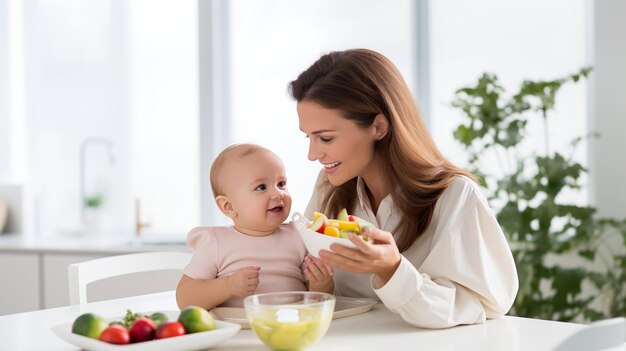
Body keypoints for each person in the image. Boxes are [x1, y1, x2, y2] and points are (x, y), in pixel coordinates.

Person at [289, 49, 519, 329]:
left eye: (325, 138)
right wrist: (319, 284)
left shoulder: (456, 196)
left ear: (379, 127)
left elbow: (483, 308)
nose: (313, 155)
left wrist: (392, 269)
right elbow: (323, 297)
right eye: (308, 138)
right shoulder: (329, 187)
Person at [176, 143, 332, 309]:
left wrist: (321, 284)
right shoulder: (215, 242)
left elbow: (318, 300)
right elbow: (184, 298)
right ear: (228, 206)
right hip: (239, 331)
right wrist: (228, 286)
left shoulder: (298, 236)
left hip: (293, 326)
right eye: (261, 187)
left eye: (281, 184)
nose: (278, 194)